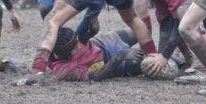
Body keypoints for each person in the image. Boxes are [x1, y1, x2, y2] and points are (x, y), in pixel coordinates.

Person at [14, 0, 156, 84]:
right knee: (132, 19)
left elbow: (45, 7)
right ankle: (153, 58)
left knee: (52, 22)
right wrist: (83, 28)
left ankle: (36, 71)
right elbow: (94, 3)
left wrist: (57, 36)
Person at [121, 0, 206, 82]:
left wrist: (164, 56)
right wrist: (160, 55)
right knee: (171, 21)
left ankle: (202, 68)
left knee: (187, 23)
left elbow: (179, 22)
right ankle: (189, 59)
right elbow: (165, 22)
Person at [16, 27, 145, 83]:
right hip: (113, 63)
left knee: (142, 30)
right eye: (74, 48)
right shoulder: (64, 71)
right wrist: (119, 57)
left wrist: (91, 29)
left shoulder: (66, 40)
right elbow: (95, 77)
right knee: (148, 64)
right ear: (63, 54)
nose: (79, 46)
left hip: (104, 41)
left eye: (77, 42)